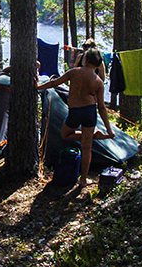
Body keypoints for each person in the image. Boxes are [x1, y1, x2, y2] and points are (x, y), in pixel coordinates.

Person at [37, 47, 114, 187]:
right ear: (98, 65)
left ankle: (91, 137)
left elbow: (54, 83)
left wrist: (38, 87)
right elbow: (102, 108)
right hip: (89, 112)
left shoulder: (74, 72)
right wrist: (109, 129)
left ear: (85, 59)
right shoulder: (98, 81)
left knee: (65, 135)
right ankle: (83, 180)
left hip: (75, 111)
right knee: (86, 147)